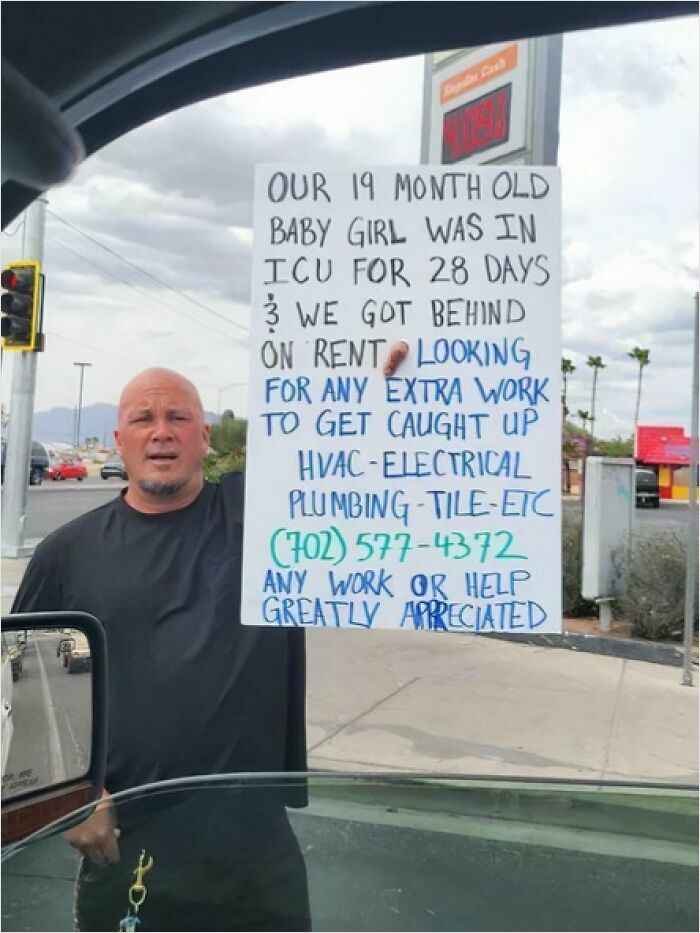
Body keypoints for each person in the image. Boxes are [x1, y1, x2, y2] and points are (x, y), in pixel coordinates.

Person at [12, 368, 309, 932]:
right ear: (119, 441)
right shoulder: (67, 553)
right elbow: (17, 687)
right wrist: (68, 798)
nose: (161, 431)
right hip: (127, 842)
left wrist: (386, 381)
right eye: (142, 419)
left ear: (205, 437)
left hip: (256, 845)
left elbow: (349, 455)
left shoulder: (265, 523)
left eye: (179, 417)